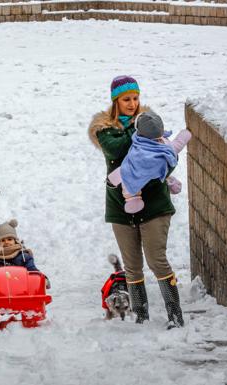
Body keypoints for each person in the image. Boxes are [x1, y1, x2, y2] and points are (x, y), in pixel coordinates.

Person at [88, 75, 184, 328]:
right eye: (126, 99)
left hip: (154, 204)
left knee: (157, 260)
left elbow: (166, 156)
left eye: (135, 98)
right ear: (115, 101)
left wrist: (146, 129)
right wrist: (138, 128)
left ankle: (175, 315)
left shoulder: (151, 125)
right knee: (132, 266)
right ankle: (140, 317)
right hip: (121, 206)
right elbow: (116, 150)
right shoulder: (105, 129)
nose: (132, 104)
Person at [107, 111, 192, 213]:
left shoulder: (139, 151)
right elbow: (177, 145)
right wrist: (184, 135)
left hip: (147, 172)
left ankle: (133, 199)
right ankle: (168, 181)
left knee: (128, 172)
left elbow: (126, 169)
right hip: (161, 168)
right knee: (158, 172)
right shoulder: (165, 144)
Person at [0, 219, 51, 289]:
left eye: (9, 239)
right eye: (2, 240)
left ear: (15, 241)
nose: (6, 242)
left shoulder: (24, 256)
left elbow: (32, 270)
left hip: (22, 291)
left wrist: (43, 279)